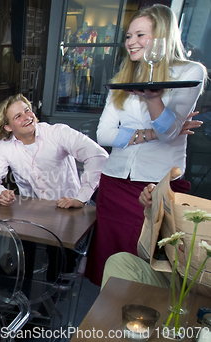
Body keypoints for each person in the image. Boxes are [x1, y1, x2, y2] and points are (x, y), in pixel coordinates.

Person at [86, 4, 207, 286]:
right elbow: (103, 134)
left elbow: (168, 132)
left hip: (154, 187)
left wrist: (154, 100)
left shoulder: (190, 72)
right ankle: (105, 323)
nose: (131, 42)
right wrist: (151, 134)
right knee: (108, 262)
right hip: (115, 181)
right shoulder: (124, 75)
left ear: (162, 38)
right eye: (129, 36)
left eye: (140, 35)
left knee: (146, 267)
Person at [0, 93, 109, 208]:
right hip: (33, 214)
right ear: (8, 127)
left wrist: (82, 197)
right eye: (18, 116)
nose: (27, 117)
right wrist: (0, 192)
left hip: (70, 209)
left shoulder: (58, 132)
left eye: (27, 111)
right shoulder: (3, 147)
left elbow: (98, 156)